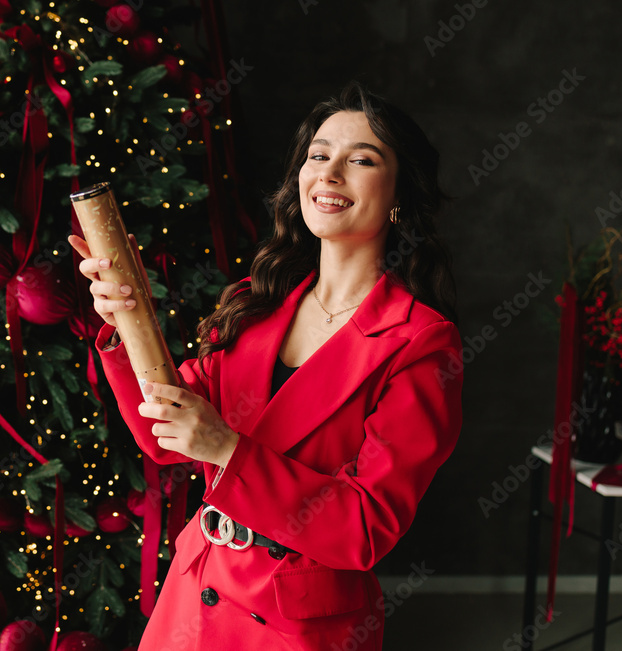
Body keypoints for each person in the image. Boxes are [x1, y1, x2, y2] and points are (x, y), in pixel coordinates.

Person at [69, 82, 463, 651]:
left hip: (294, 628)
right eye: (318, 155)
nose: (329, 173)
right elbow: (166, 436)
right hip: (193, 602)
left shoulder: (420, 343)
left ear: (399, 193)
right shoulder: (254, 303)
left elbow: (365, 527)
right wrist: (125, 321)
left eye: (361, 160)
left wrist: (228, 450)